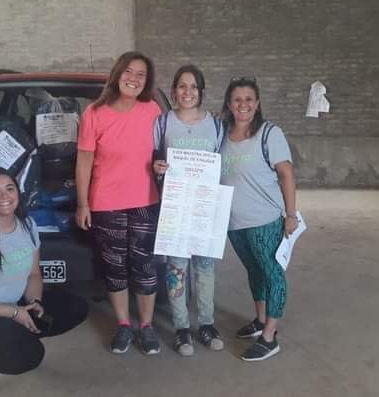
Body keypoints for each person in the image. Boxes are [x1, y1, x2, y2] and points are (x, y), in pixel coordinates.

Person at [0, 167, 88, 395]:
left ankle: (18, 334)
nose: (4, 196)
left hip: (14, 305)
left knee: (76, 308)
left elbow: (34, 275)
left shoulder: (27, 226)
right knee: (29, 357)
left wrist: (36, 302)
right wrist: (12, 312)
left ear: (18, 194)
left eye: (10, 189)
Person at [76, 51, 162, 355]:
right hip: (106, 203)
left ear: (146, 81)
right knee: (115, 267)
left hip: (145, 200)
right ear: (117, 74)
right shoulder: (94, 113)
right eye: (129, 71)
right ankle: (124, 325)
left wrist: (164, 166)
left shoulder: (152, 110)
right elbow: (84, 160)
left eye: (141, 74)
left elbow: (163, 152)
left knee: (145, 265)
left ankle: (147, 326)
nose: (134, 78)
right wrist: (82, 203)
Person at [219, 77, 298, 362]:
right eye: (237, 99)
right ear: (229, 104)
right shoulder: (222, 134)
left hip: (264, 220)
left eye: (249, 99)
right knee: (254, 270)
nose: (243, 105)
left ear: (258, 103)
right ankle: (260, 318)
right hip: (233, 222)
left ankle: (269, 336)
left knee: (271, 272)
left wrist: (290, 215)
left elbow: (287, 173)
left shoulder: (268, 133)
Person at [152, 65, 225, 356]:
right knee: (176, 269)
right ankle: (182, 328)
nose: (188, 92)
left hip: (205, 208)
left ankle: (206, 324)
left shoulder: (216, 125)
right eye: (182, 86)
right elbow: (153, 159)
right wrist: (157, 169)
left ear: (202, 92)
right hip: (175, 207)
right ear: (173, 92)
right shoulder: (163, 122)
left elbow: (221, 164)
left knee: (205, 268)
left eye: (194, 87)